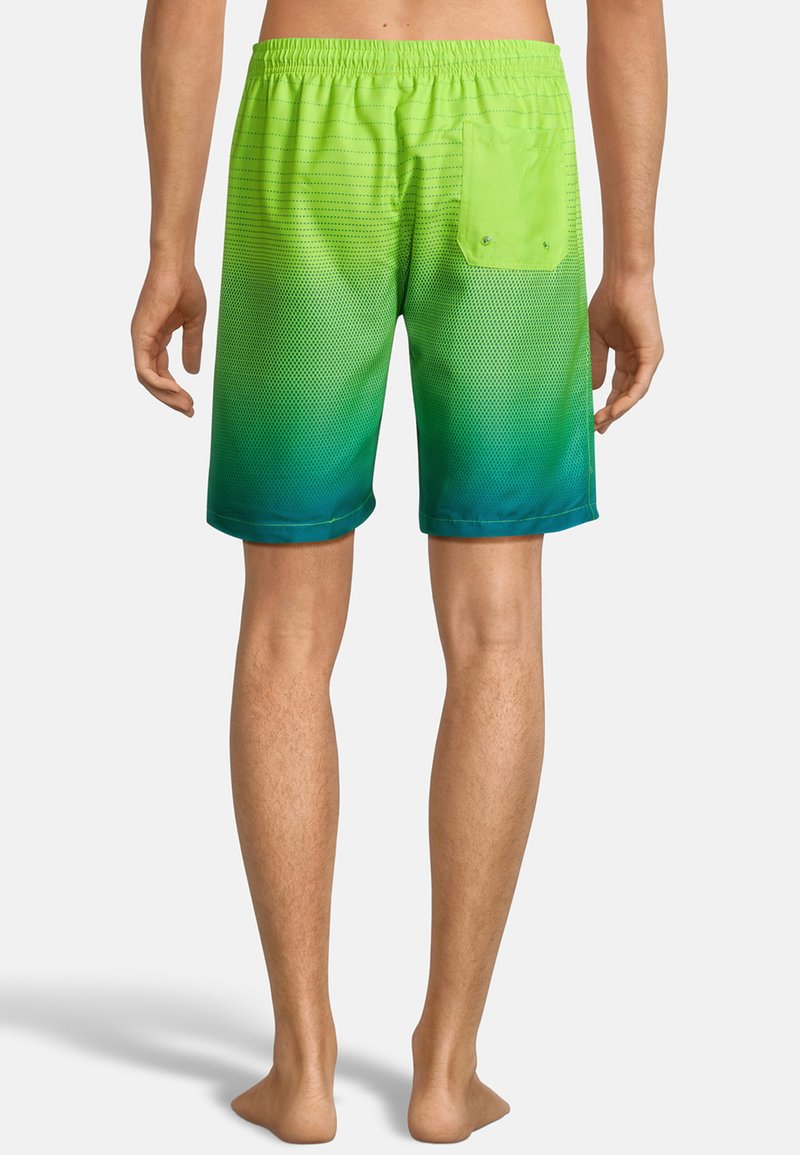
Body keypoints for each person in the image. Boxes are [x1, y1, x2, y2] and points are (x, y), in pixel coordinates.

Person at [131, 0, 666, 1143]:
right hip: (502, 119)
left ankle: (302, 1065)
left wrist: (168, 244)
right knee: (496, 629)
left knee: (284, 630)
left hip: (309, 119)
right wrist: (631, 260)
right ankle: (446, 1068)